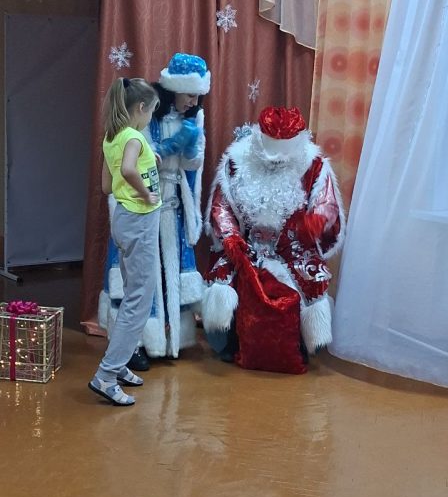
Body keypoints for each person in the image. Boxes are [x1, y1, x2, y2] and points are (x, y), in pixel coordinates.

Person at [201, 106, 345, 374]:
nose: (276, 161)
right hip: (245, 244)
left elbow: (327, 206)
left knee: (307, 280)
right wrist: (230, 237)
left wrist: (316, 222)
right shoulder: (236, 160)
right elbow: (221, 206)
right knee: (225, 279)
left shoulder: (314, 167)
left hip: (292, 248)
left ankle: (297, 343)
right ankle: (231, 339)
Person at [98, 53, 211, 365]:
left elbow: (192, 166)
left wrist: (189, 145)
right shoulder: (142, 121)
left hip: (170, 209)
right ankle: (133, 346)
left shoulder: (193, 119)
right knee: (138, 283)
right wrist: (158, 159)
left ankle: (171, 338)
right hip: (142, 209)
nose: (194, 101)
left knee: (162, 275)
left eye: (198, 96)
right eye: (189, 95)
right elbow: (132, 167)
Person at [89, 77, 161, 406]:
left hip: (124, 220)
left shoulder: (113, 136)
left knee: (135, 295)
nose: (151, 118)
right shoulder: (133, 136)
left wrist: (149, 161)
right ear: (141, 108)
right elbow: (130, 170)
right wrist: (145, 193)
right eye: (151, 112)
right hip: (139, 221)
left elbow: (107, 186)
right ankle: (106, 374)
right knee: (138, 300)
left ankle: (118, 364)